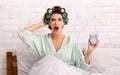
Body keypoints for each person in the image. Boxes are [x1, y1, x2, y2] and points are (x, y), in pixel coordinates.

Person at [18, 6, 98, 71]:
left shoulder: (72, 43)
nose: (56, 23)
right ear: (49, 23)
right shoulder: (41, 41)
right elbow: (22, 34)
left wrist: (89, 52)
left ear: (63, 23)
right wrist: (40, 24)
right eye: (53, 20)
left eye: (59, 20)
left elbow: (82, 67)